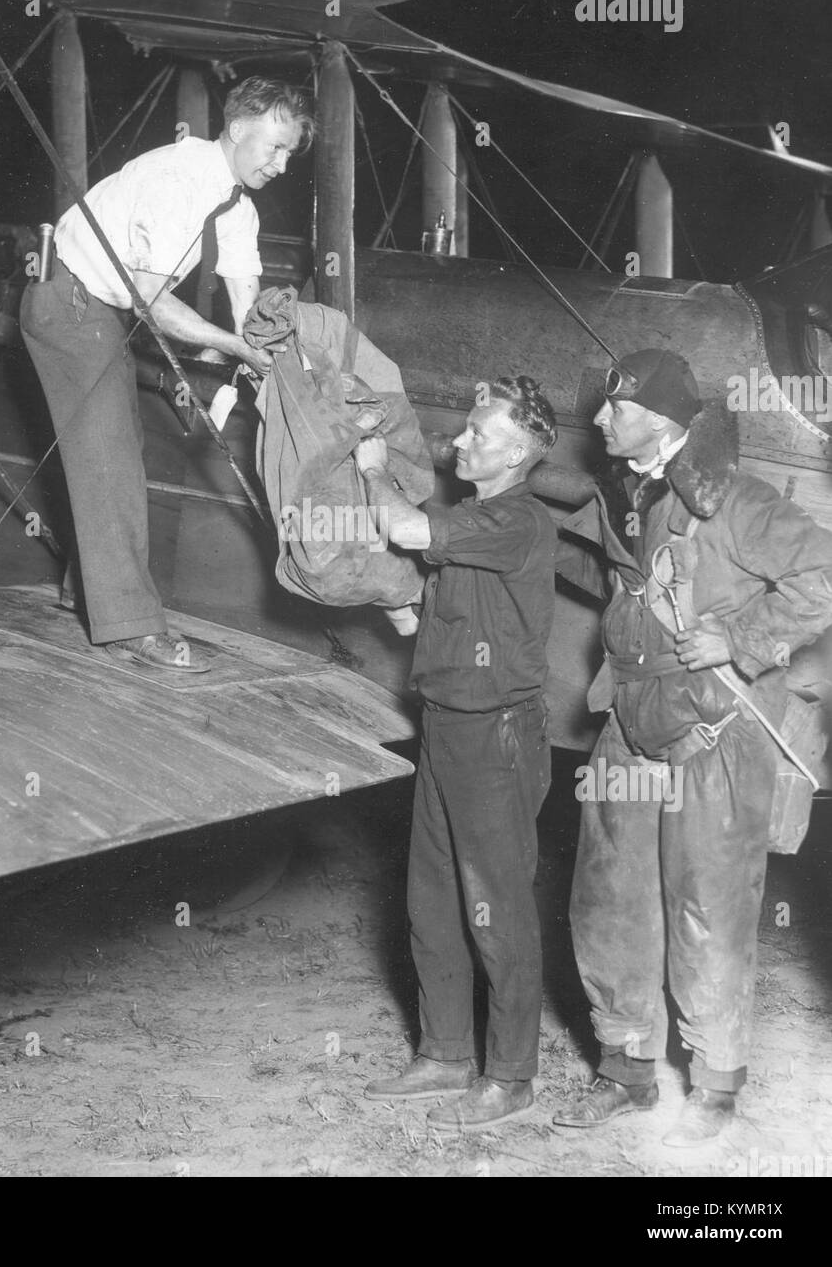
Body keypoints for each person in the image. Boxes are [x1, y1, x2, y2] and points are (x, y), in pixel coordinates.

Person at [554, 348, 832, 1146]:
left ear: (666, 421)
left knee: (707, 905)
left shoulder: (736, 502)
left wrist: (744, 638)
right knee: (609, 898)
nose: (600, 420)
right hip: (630, 726)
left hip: (715, 734)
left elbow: (822, 568)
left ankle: (713, 1084)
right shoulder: (625, 494)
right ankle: (625, 1067)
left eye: (616, 408)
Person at [20, 77, 314, 672]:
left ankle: (89, 594)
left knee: (114, 447)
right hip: (70, 302)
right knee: (111, 459)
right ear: (236, 131)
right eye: (275, 148)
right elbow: (150, 302)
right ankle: (129, 626)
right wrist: (230, 345)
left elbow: (244, 292)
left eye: (290, 153)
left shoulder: (235, 201)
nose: (282, 164)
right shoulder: (179, 181)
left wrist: (269, 349)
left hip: (96, 311)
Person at [357, 377, 559, 1133]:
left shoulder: (518, 520)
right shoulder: (476, 518)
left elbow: (410, 532)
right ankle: (443, 1052)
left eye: (476, 433)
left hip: (495, 737)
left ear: (514, 453)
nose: (459, 442)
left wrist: (373, 468)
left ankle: (511, 1074)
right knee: (430, 897)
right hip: (443, 723)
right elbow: (433, 609)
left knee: (495, 907)